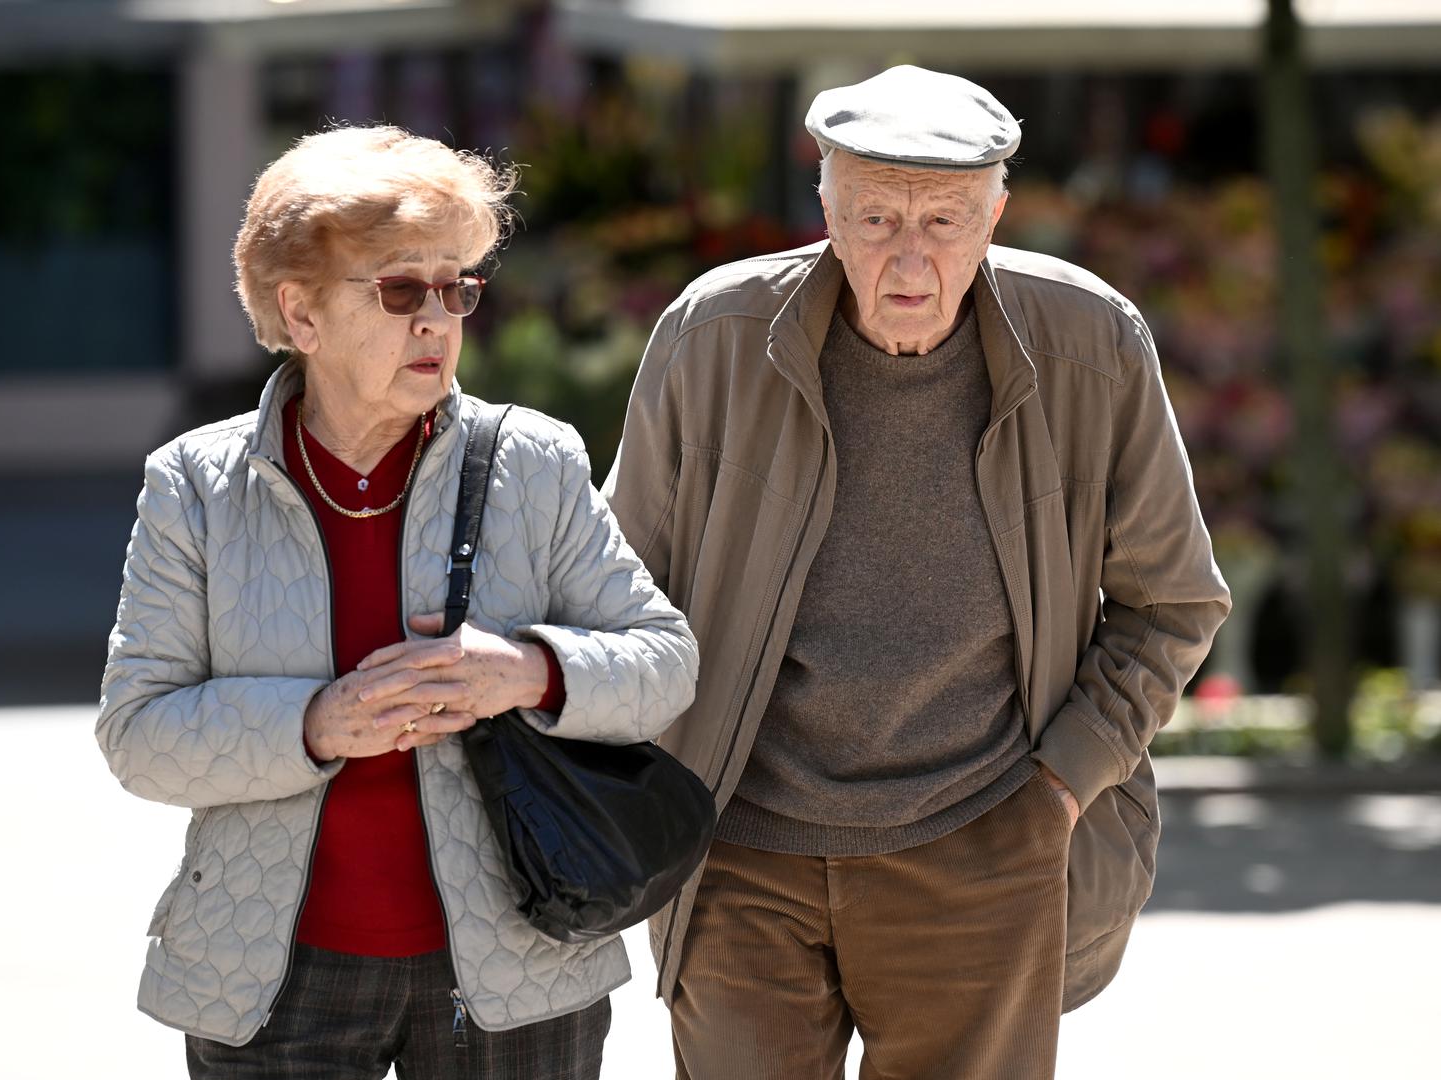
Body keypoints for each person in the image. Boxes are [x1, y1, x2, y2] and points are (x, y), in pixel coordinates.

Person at [604, 66, 1231, 1080]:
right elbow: (621, 588)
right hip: (740, 848)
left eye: (943, 221)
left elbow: (1173, 602)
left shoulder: (1092, 343)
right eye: (877, 217)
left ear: (996, 215)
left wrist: (1061, 790)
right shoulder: (712, 335)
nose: (909, 256)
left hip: (983, 836)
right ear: (826, 209)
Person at [96, 125, 698, 1080]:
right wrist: (316, 722)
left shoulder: (533, 462)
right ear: (301, 314)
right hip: (270, 977)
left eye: (455, 286)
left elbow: (664, 662)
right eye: (400, 290)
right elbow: (137, 730)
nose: (438, 319)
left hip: (514, 966)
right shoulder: (197, 485)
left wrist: (527, 672)